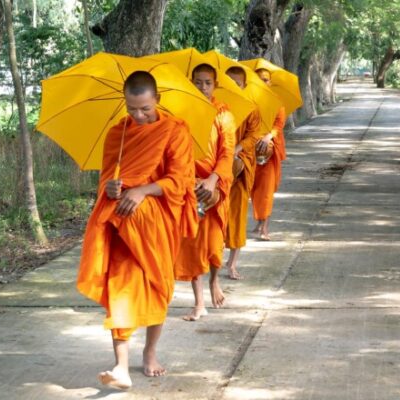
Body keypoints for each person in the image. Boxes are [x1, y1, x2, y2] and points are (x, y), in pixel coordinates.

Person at [76, 71, 198, 390]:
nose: (139, 115)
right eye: (132, 108)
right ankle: (121, 367)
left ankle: (150, 352)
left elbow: (181, 181)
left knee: (158, 288)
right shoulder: (118, 134)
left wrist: (143, 190)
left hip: (158, 223)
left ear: (156, 99)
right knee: (121, 290)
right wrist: (112, 187)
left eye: (144, 108)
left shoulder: (174, 131)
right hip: (122, 224)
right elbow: (106, 180)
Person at [175, 63, 236, 318]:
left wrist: (211, 180)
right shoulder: (180, 113)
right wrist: (190, 181)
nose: (202, 87)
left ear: (215, 85)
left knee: (213, 243)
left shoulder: (224, 114)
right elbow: (176, 152)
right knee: (192, 244)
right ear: (191, 82)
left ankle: (214, 280)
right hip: (189, 184)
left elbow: (227, 153)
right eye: (197, 82)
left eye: (207, 83)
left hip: (216, 184)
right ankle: (199, 302)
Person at [224, 66, 262, 280]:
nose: (233, 87)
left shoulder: (251, 108)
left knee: (237, 215)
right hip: (218, 167)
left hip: (241, 167)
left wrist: (236, 149)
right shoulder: (218, 106)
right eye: (228, 83)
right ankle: (209, 256)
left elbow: (253, 135)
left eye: (237, 83)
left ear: (244, 85)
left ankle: (232, 263)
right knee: (214, 214)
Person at [250, 68, 287, 241]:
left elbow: (279, 124)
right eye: (259, 79)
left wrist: (267, 137)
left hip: (269, 151)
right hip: (251, 150)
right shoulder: (249, 100)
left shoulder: (277, 102)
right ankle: (259, 223)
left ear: (270, 82)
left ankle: (265, 228)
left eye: (265, 79)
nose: (263, 82)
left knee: (266, 191)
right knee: (255, 190)